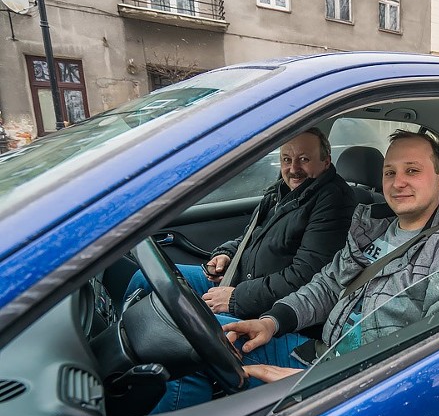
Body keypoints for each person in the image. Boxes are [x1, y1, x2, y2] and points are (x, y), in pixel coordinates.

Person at [152, 130, 439, 411]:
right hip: (320, 355)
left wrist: (320, 385)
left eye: (412, 170)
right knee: (199, 341)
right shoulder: (373, 225)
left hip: (359, 388)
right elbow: (327, 285)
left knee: (204, 354)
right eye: (390, 172)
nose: (397, 183)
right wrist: (272, 321)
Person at [125, 128, 356, 319]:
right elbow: (250, 236)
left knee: (189, 331)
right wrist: (227, 255)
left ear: (326, 162)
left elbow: (305, 277)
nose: (293, 168)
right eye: (286, 159)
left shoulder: (332, 200)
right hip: (238, 282)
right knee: (144, 278)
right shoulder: (281, 191)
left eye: (304, 159)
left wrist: (236, 298)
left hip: (264, 304)